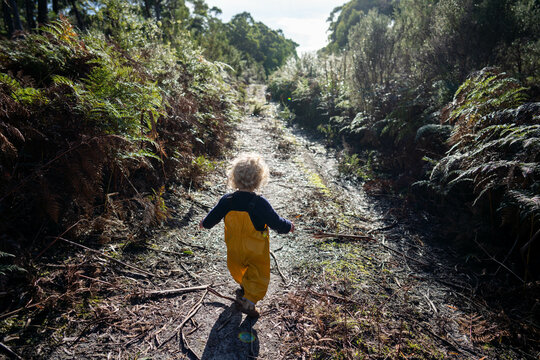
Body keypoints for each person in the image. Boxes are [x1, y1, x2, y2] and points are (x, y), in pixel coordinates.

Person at [199, 153, 294, 317]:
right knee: (259, 276)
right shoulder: (260, 203)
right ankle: (249, 303)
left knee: (238, 269)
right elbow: (276, 222)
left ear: (234, 177)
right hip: (256, 251)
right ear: (260, 180)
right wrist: (288, 226)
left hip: (234, 249)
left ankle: (244, 288)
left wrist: (204, 223)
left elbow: (211, 218)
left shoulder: (226, 200)